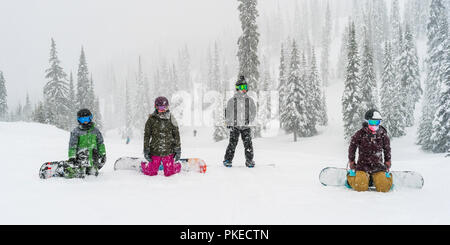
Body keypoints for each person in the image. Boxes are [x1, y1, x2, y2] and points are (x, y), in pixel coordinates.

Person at [346, 109, 393, 192]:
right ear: (367, 122)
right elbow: (352, 146)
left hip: (378, 166)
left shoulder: (382, 134)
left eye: (377, 122)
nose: (375, 125)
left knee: (384, 188)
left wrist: (388, 160)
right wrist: (351, 161)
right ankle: (351, 177)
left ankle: (385, 178)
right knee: (360, 187)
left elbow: (387, 148)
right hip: (362, 166)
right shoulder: (360, 134)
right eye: (372, 122)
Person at [142, 96, 182, 177]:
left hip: (168, 151)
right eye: (160, 108)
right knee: (152, 172)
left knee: (169, 173)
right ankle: (145, 165)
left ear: (167, 107)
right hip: (155, 151)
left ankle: (177, 165)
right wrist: (146, 149)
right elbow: (147, 135)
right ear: (156, 107)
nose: (162, 110)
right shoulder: (151, 119)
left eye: (164, 107)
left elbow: (176, 134)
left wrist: (177, 149)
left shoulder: (171, 118)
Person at [223, 75, 257, 168]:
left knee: (248, 144)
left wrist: (250, 119)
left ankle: (249, 160)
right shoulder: (232, 101)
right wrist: (229, 122)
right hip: (235, 126)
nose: (244, 89)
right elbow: (227, 112)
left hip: (245, 126)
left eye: (245, 87)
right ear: (237, 88)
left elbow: (253, 111)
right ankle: (227, 160)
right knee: (232, 143)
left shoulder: (249, 100)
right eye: (242, 87)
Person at [66, 108, 107, 178]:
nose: (85, 121)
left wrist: (102, 154)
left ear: (90, 118)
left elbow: (100, 143)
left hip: (94, 158)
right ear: (79, 120)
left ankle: (92, 170)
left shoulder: (95, 131)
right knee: (80, 175)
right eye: (82, 119)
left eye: (87, 119)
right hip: (81, 158)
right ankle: (67, 169)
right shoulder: (76, 132)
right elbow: (72, 145)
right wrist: (72, 157)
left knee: (93, 175)